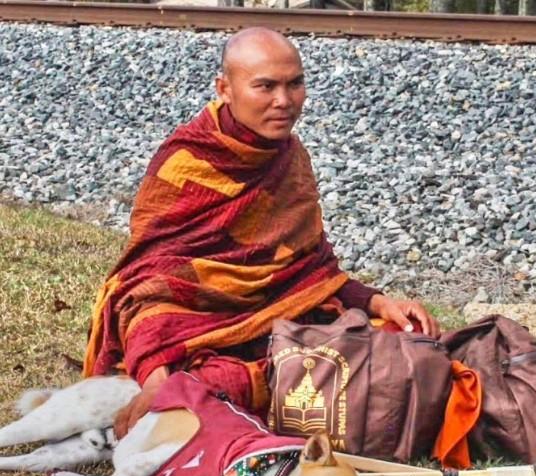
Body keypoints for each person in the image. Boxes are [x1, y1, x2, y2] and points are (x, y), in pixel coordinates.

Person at [83, 28, 439, 439]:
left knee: (393, 343)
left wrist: (379, 302)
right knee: (192, 360)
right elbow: (147, 286)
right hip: (192, 325)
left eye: (295, 84)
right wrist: (156, 377)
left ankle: (216, 391)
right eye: (265, 86)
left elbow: (311, 271)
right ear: (225, 89)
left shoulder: (291, 158)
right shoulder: (187, 160)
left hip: (275, 321)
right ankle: (184, 388)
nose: (284, 101)